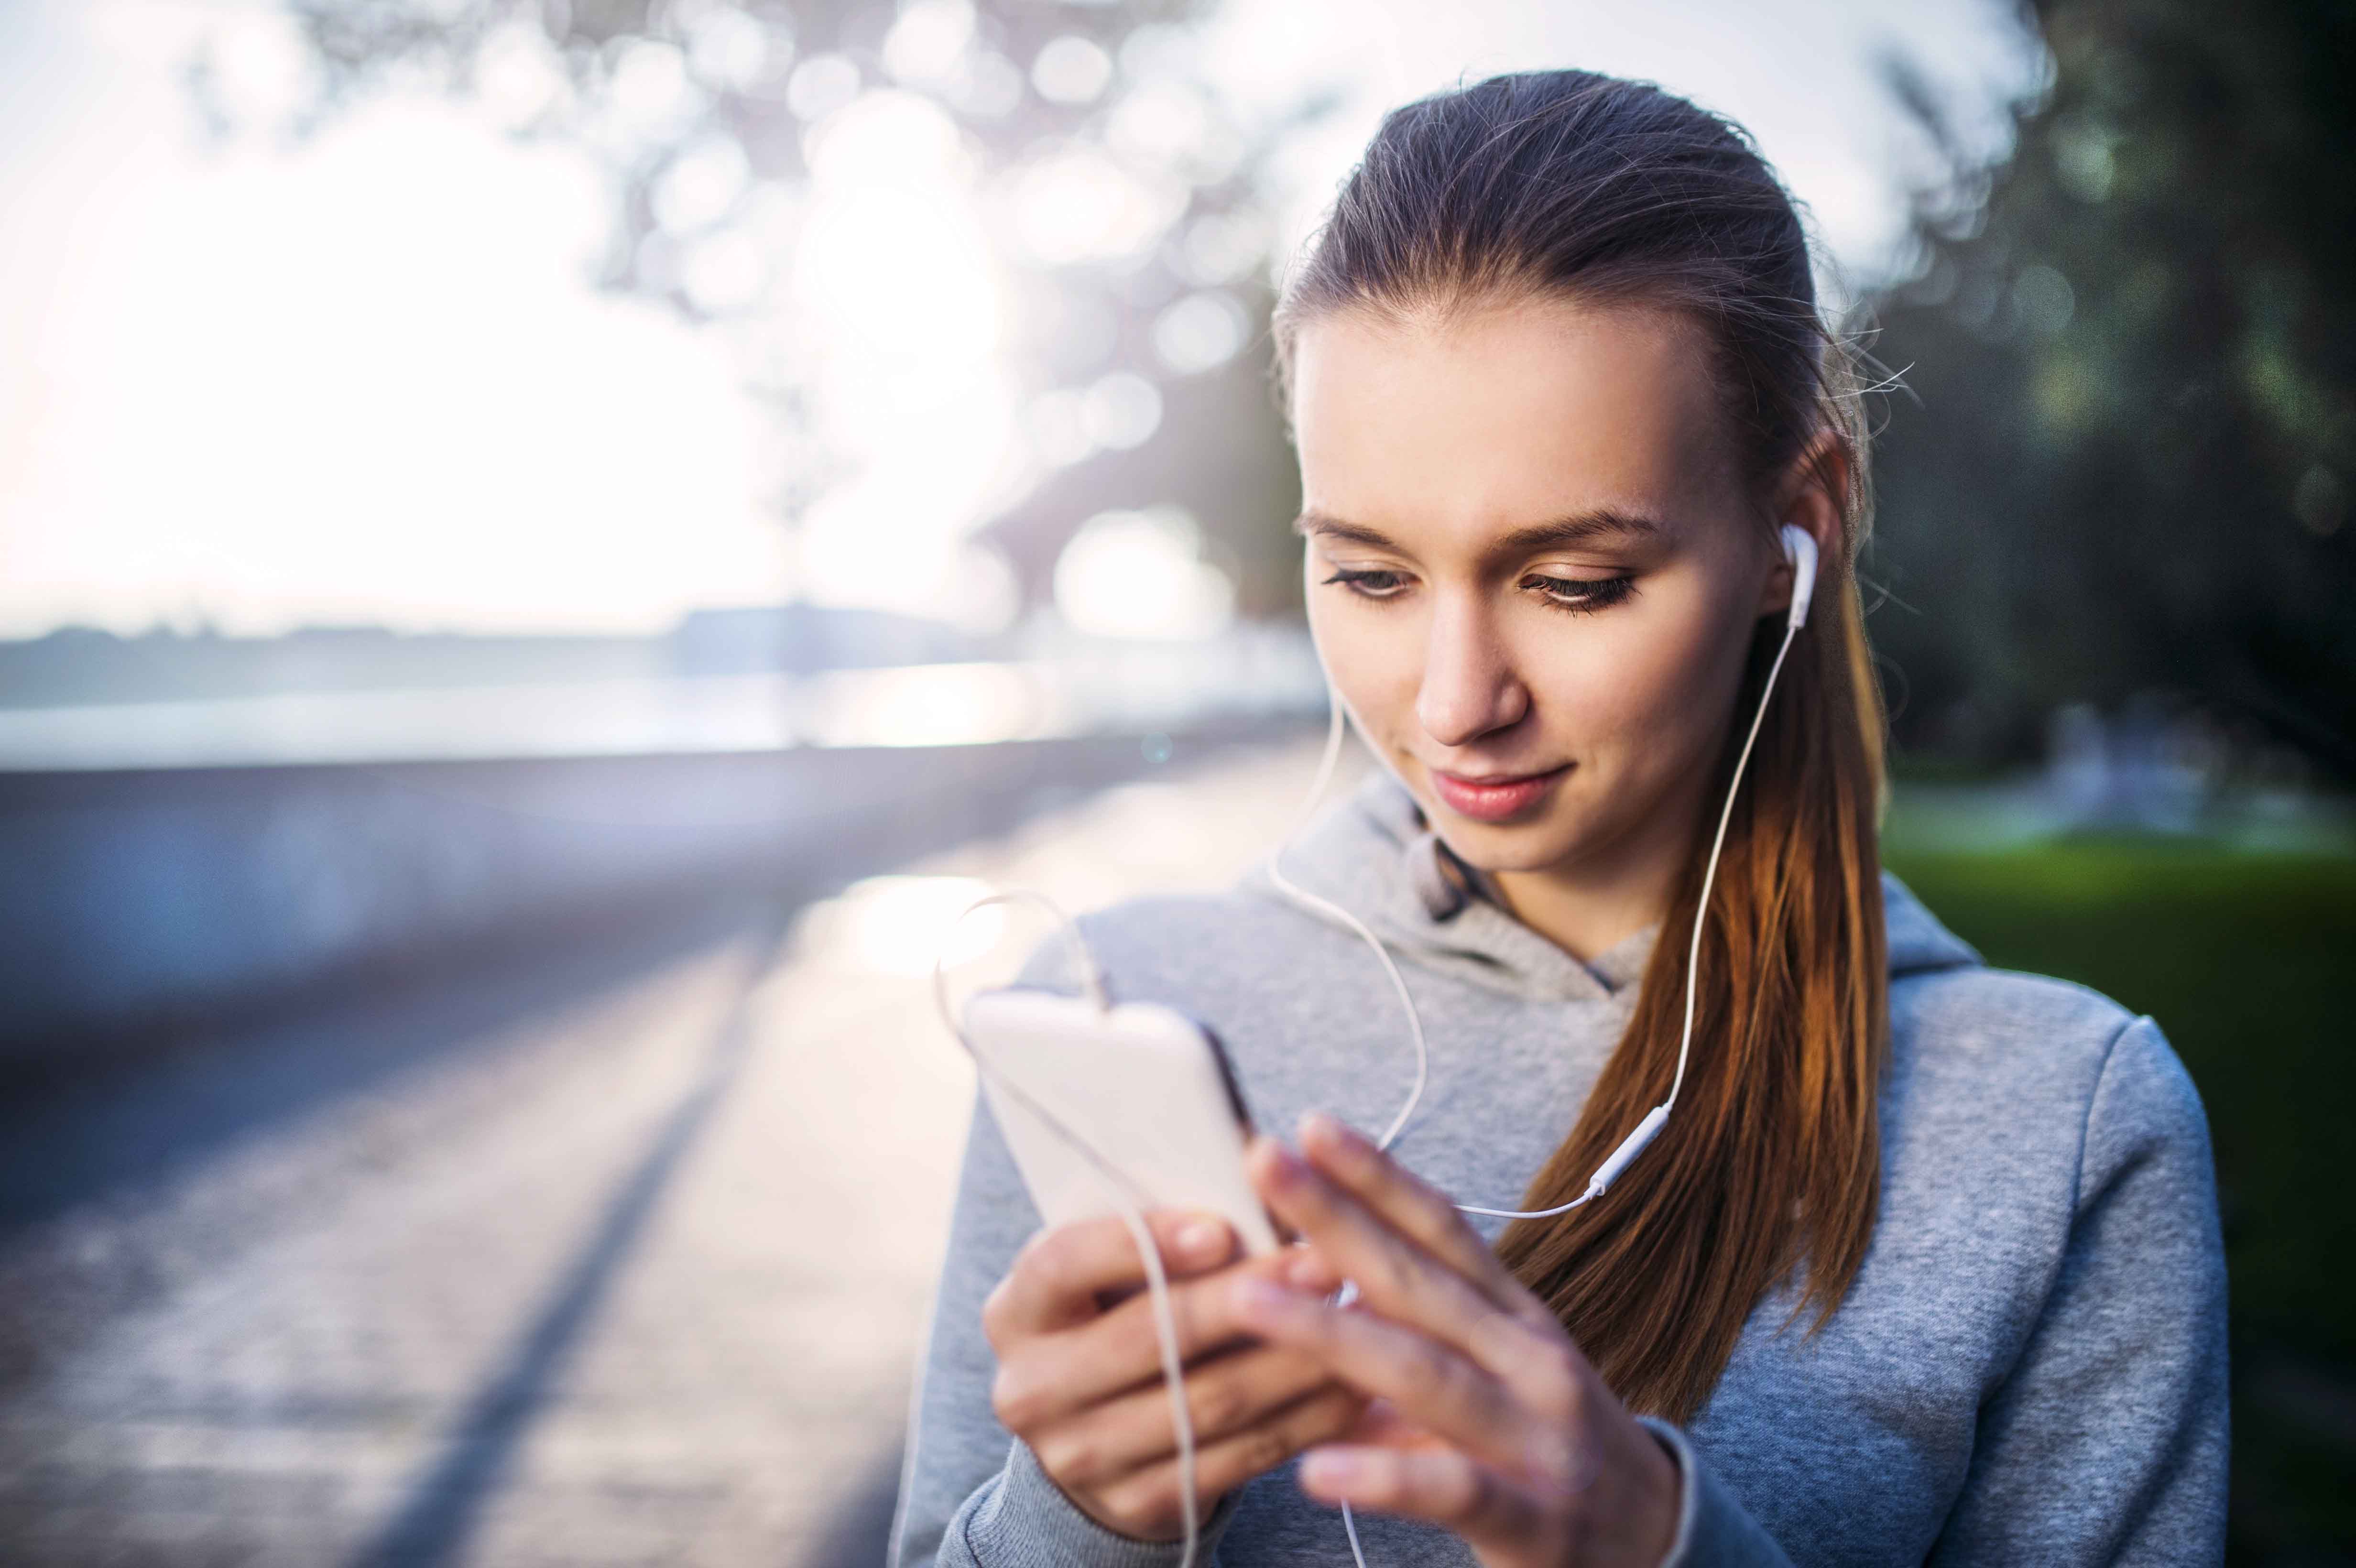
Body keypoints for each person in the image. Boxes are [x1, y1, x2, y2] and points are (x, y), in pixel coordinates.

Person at [889, 69, 2228, 1567]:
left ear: (1799, 529)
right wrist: (1071, 1522)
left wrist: (1656, 1544)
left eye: (1574, 583)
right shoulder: (1115, 1013)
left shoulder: (2063, 1131)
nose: (1458, 702)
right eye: (1373, 576)